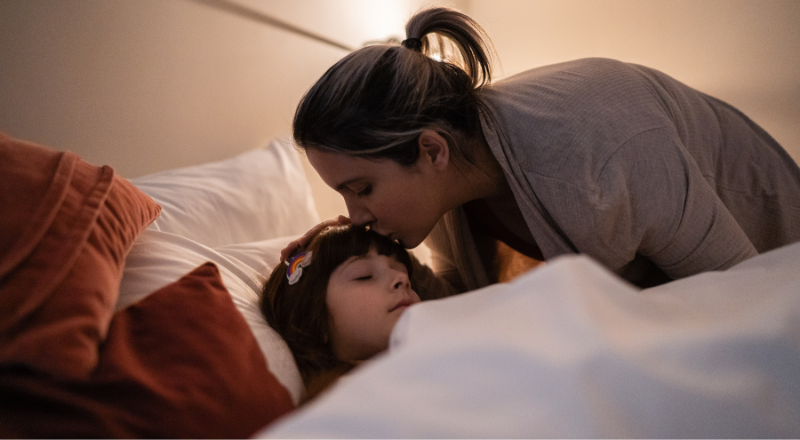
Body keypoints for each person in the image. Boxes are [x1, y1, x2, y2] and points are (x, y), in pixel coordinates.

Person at [287, 7, 800, 289]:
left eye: (361, 189)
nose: (354, 214)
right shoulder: (448, 186)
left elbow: (743, 295)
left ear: (431, 151)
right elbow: (463, 292)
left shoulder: (600, 152)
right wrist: (340, 259)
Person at [262, 224, 424, 403]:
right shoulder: (347, 400)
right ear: (315, 322)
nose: (402, 279)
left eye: (404, 272)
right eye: (365, 276)